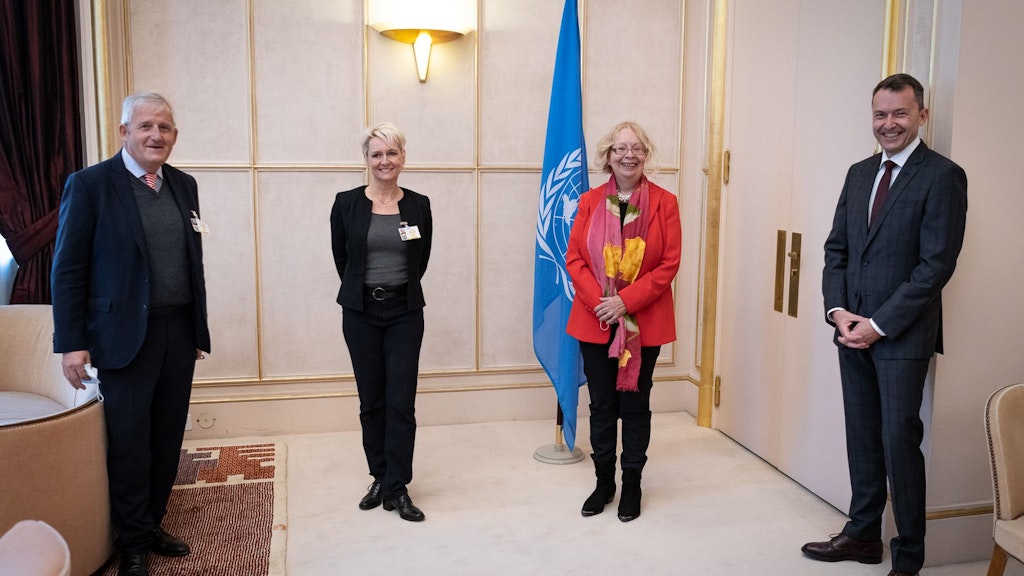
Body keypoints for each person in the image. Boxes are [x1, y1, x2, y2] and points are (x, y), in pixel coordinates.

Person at [803, 73, 968, 576]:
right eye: (880, 114)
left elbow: (935, 266)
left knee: (899, 443)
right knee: (862, 437)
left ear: (922, 115)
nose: (888, 123)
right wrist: (838, 312)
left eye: (900, 113)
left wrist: (878, 323)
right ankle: (862, 536)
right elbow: (837, 250)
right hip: (850, 332)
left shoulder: (943, 176)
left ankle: (909, 555)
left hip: (901, 336)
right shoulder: (858, 173)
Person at [51, 92, 211, 576]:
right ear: (124, 132)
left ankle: (151, 523)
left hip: (178, 331)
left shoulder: (184, 185)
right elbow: (68, 269)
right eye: (145, 126)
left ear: (174, 136)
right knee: (129, 443)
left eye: (164, 127)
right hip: (122, 336)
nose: (155, 136)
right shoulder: (90, 185)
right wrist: (71, 343)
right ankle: (133, 542)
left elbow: (192, 262)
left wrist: (197, 329)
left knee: (167, 437)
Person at [565, 121, 681, 522]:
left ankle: (632, 483)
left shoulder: (665, 203)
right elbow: (574, 259)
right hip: (595, 318)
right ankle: (604, 482)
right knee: (601, 405)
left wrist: (625, 302)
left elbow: (668, 264)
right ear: (608, 156)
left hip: (643, 322)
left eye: (636, 148)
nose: (628, 155)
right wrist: (604, 303)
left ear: (646, 155)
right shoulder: (589, 201)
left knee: (634, 405)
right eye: (620, 149)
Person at [331, 122, 432, 522]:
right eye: (376, 154)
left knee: (400, 401)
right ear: (366, 159)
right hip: (361, 314)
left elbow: (421, 261)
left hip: (405, 312)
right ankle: (379, 476)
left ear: (403, 157)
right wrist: (367, 292)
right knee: (371, 401)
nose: (384, 161)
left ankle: (398, 486)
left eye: (392, 153)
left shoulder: (419, 204)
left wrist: (395, 291)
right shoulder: (346, 203)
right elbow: (343, 259)